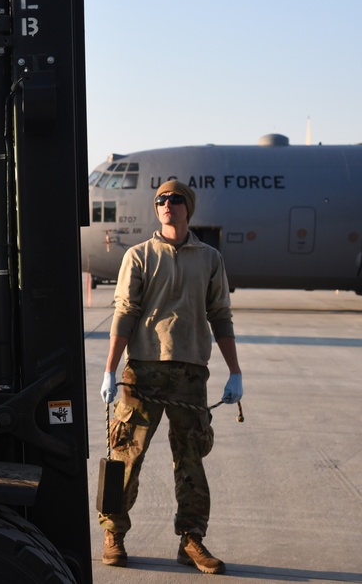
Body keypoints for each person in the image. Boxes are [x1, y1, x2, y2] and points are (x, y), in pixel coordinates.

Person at [98, 179, 243, 575]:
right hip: (142, 370)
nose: (167, 205)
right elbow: (124, 312)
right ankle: (114, 534)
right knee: (125, 457)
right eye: (161, 200)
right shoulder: (139, 255)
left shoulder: (209, 259)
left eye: (175, 199)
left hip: (190, 374)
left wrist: (235, 372)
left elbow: (221, 316)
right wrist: (111, 369)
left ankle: (192, 539)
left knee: (191, 461)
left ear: (187, 208)